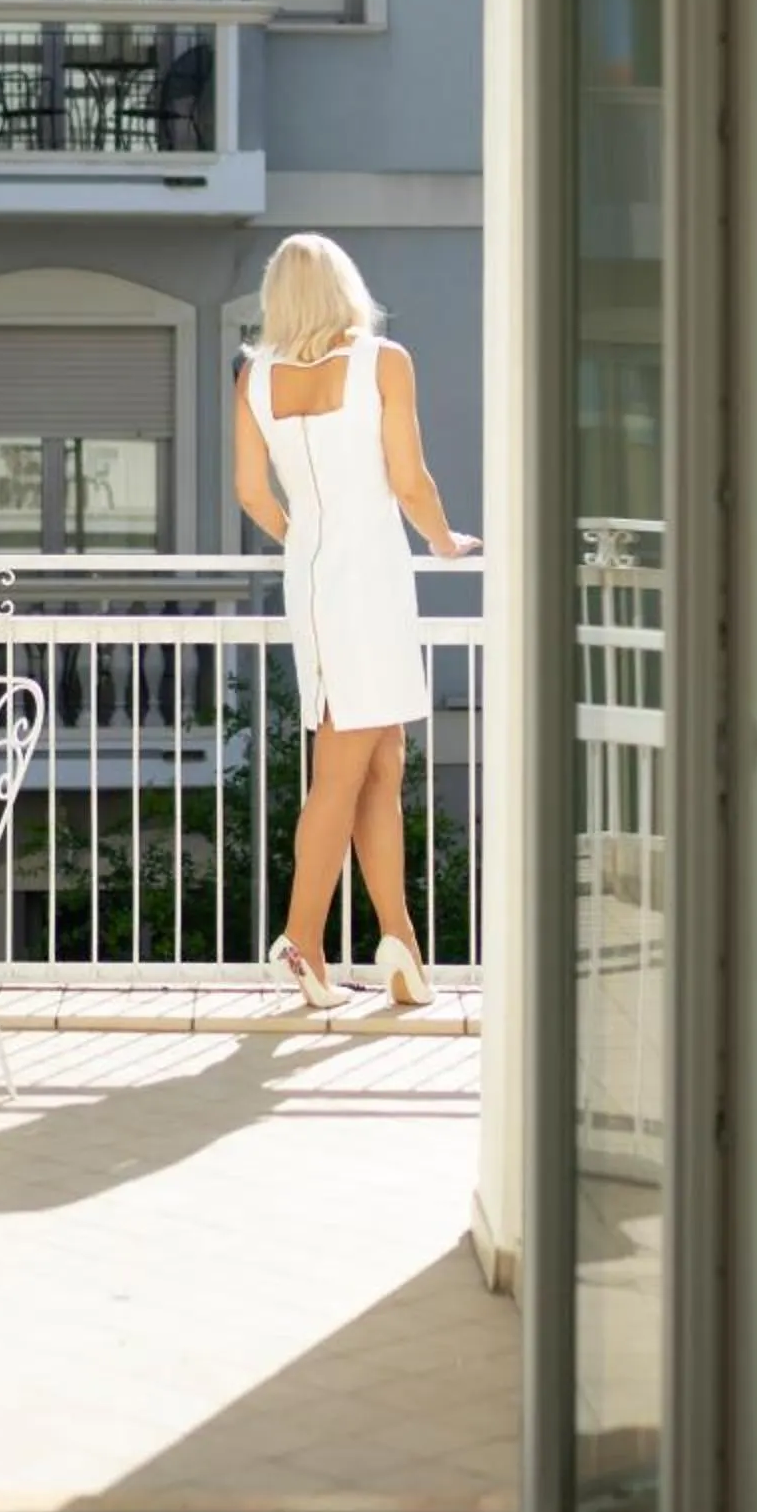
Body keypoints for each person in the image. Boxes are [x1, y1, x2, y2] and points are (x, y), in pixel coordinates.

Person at [232, 234, 480, 1010]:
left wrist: (305, 542)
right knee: (342, 768)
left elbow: (251, 493)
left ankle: (400, 946)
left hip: (311, 579)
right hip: (370, 580)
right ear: (345, 289)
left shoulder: (255, 377)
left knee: (381, 759)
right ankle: (301, 941)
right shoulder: (384, 360)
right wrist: (444, 543)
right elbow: (409, 480)